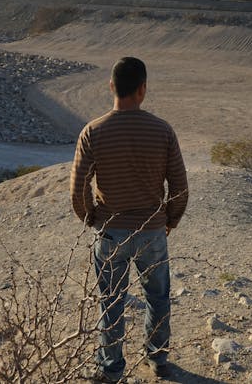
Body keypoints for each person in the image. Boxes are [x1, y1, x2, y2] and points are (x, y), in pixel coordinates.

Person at [70, 57, 189, 382]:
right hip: (152, 231)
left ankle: (111, 368)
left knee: (110, 302)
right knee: (158, 297)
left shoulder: (92, 132)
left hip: (110, 232)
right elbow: (179, 186)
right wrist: (169, 221)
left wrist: (92, 217)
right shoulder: (163, 130)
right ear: (142, 90)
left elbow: (78, 187)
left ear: (111, 86)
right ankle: (158, 358)